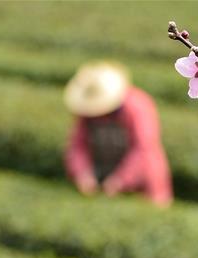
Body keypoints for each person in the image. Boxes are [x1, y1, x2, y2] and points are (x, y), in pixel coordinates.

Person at [63, 62, 173, 206]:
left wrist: (121, 180)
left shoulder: (137, 106)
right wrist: (83, 173)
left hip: (144, 183)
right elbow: (77, 145)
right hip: (105, 176)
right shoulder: (87, 113)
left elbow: (144, 148)